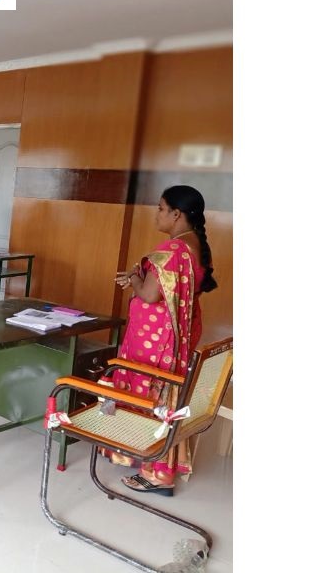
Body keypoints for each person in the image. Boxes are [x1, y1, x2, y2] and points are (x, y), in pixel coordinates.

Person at [105, 185, 219, 496]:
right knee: (166, 396)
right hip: (177, 334)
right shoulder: (196, 246)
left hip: (156, 339)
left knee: (150, 393)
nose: (157, 214)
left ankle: (156, 472)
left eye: (160, 208)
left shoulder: (172, 251)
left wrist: (134, 278)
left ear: (176, 214)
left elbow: (150, 294)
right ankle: (150, 456)